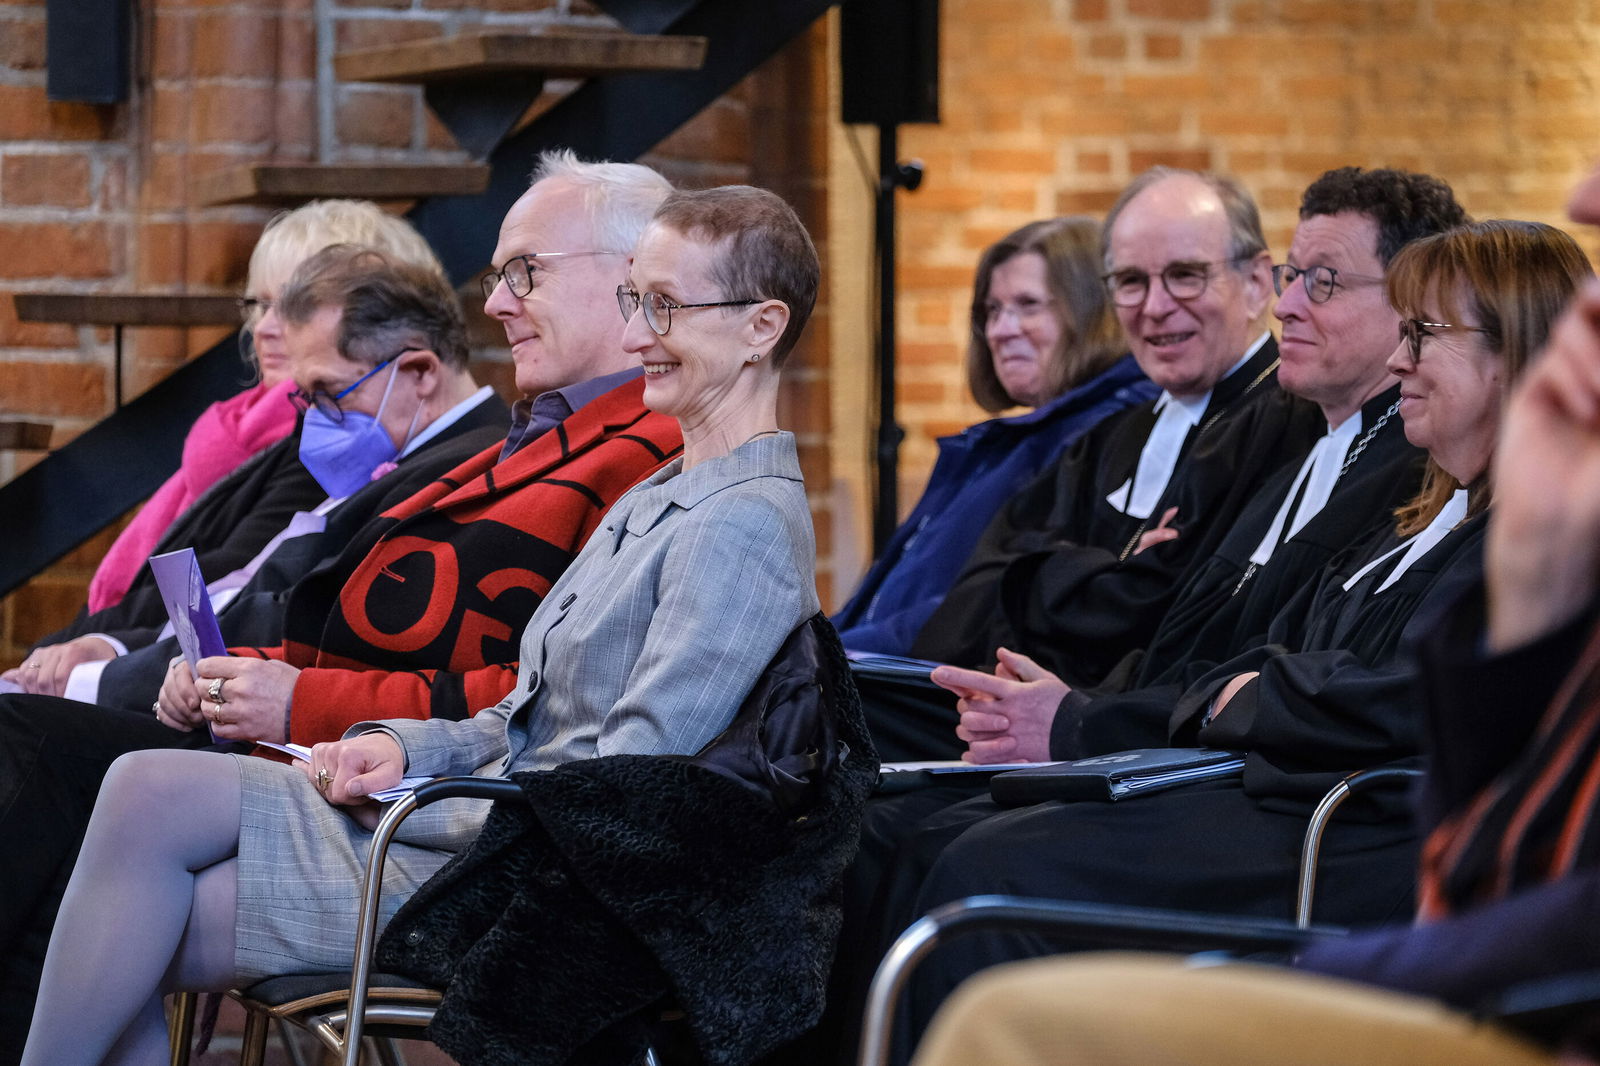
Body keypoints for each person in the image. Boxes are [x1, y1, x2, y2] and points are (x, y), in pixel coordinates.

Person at [18, 181, 822, 1066]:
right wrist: (408, 751)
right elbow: (532, 702)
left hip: (525, 871)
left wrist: (424, 800)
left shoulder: (743, 519)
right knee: (141, 789)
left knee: (130, 925)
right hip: (484, 811)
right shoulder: (670, 490)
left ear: (761, 327)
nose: (635, 336)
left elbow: (625, 792)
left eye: (663, 307)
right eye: (635, 302)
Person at [871, 218, 1593, 1061]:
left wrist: (1252, 698)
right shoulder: (1414, 521)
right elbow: (1267, 657)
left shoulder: (1530, 534)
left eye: (1422, 335)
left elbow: (1396, 703)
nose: (1399, 363)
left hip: (1348, 828)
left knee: (983, 868)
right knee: (910, 831)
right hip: (1273, 781)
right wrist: (1250, 696)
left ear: (1521, 353)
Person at [937, 167, 1466, 764]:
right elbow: (987, 579)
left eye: (1322, 282)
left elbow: (1277, 670)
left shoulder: (1395, 464)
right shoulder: (1299, 442)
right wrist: (1076, 706)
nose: (1284, 306)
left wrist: (1084, 720)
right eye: (1292, 278)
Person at [868, 168, 1325, 761]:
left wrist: (1055, 574)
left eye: (1185, 276)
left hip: (1128, 734)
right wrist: (1107, 573)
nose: (1156, 308)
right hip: (1016, 704)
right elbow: (990, 579)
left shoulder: (1287, 427)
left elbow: (1162, 614)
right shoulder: (1112, 436)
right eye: (1131, 282)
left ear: (1257, 281)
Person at [6, 199, 448, 697]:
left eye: (296, 306)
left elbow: (229, 580)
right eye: (260, 304)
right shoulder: (259, 427)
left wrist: (96, 650)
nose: (264, 328)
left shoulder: (339, 440)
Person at [834, 217, 1156, 655]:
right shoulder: (1012, 442)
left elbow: (980, 606)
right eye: (993, 310)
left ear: (1090, 311)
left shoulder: (1102, 435)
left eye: (1028, 304)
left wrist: (831, 659)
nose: (1001, 330)